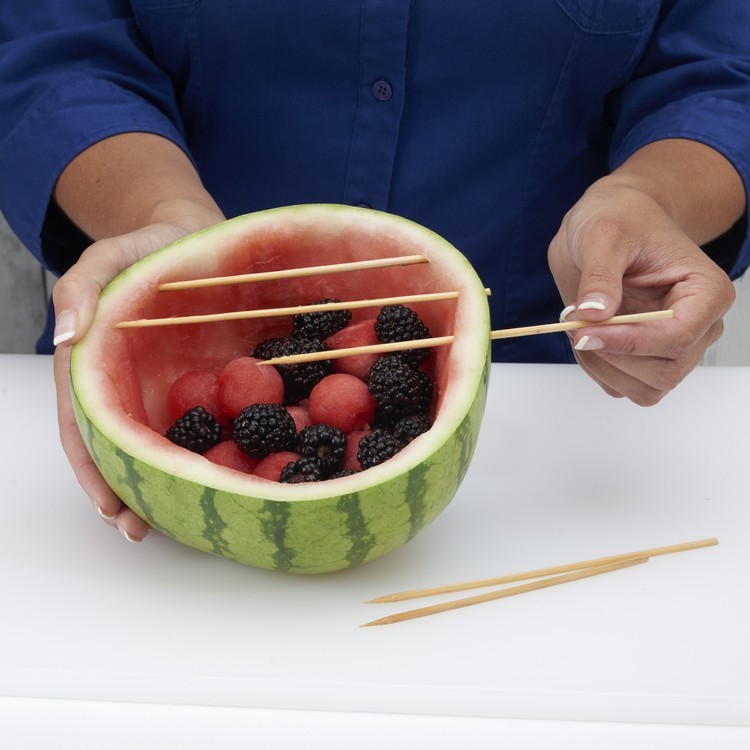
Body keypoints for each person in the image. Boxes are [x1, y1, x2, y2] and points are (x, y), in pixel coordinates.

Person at [0, 2, 748, 543]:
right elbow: (54, 45)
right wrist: (155, 214)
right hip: (177, 336)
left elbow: (723, 73)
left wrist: (650, 198)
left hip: (558, 434)